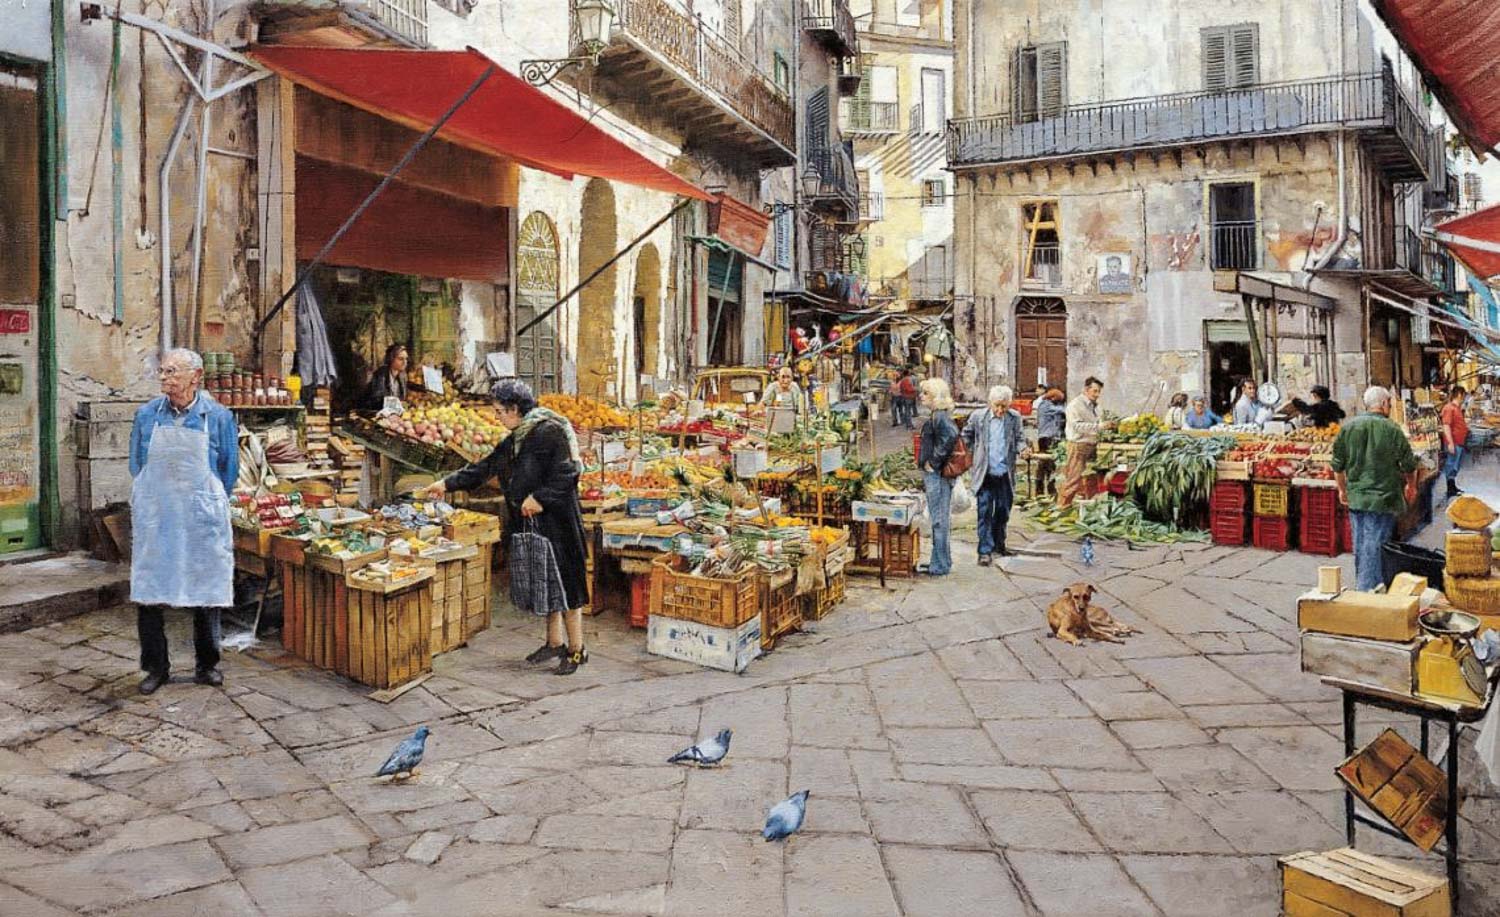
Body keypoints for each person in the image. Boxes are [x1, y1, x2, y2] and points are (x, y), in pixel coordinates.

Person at [425, 380, 592, 674]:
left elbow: (568, 474)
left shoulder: (549, 431)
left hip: (559, 524)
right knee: (547, 585)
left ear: (515, 409)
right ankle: (554, 643)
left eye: (500, 411)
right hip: (535, 525)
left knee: (567, 587)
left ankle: (577, 649)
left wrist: (539, 498)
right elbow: (486, 466)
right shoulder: (517, 437)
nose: (497, 417)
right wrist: (446, 483)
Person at [128, 348, 239, 695]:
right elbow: (137, 465)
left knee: (206, 588)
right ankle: (156, 668)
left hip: (199, 516)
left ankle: (207, 665)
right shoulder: (147, 416)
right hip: (158, 516)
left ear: (196, 376)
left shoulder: (218, 417)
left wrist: (201, 500)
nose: (164, 378)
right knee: (149, 591)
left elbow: (228, 473)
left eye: (172, 372)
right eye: (162, 372)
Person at [1332, 386, 1420, 592]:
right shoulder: (1392, 429)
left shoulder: (1348, 427)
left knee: (1361, 545)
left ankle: (1363, 587)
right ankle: (1368, 592)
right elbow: (1409, 465)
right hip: (1383, 498)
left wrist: (1342, 490)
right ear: (1383, 404)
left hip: (1356, 498)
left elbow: (1337, 465)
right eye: (1389, 403)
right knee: (1375, 547)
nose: (1389, 407)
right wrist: (1411, 486)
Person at [963, 385, 1023, 564]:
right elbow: (966, 435)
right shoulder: (978, 417)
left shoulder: (1014, 418)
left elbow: (1020, 438)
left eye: (1004, 406)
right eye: (997, 405)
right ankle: (984, 550)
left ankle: (999, 544)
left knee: (1003, 511)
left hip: (1005, 473)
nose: (1000, 410)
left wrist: (1024, 449)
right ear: (990, 403)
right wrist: (967, 452)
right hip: (985, 473)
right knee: (985, 511)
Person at [916, 378, 959, 577]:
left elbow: (951, 436)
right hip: (937, 474)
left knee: (939, 520)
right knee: (939, 520)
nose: (921, 396)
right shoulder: (937, 415)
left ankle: (940, 565)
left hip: (938, 475)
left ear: (935, 396)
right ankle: (940, 561)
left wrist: (933, 462)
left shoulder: (940, 416)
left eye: (925, 393)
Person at [1058, 376, 1108, 508]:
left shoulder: (1095, 407)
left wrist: (1103, 429)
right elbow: (1077, 426)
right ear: (1086, 390)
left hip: (1091, 445)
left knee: (1091, 477)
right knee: (1073, 478)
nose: (1097, 395)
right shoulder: (1075, 405)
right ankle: (1062, 507)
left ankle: (1091, 508)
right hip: (1078, 445)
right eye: (1095, 391)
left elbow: (1096, 424)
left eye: (1099, 392)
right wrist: (1100, 427)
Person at [1034, 387, 1067, 497]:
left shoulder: (1047, 405)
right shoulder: (1046, 405)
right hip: (1046, 438)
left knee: (1049, 465)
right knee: (1045, 464)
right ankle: (1044, 489)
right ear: (1053, 398)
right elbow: (1063, 411)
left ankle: (1047, 488)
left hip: (1050, 437)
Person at [1440, 385, 1469, 499]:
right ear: (1459, 395)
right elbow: (1446, 426)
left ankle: (1453, 487)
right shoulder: (1449, 408)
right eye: (1463, 396)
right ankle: (1450, 489)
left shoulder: (1456, 408)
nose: (1464, 398)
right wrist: (1450, 443)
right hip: (1454, 443)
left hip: (1459, 442)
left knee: (1455, 465)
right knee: (1451, 465)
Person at [361, 343, 409, 412]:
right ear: (391, 359)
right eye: (401, 359)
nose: (405, 362)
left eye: (406, 359)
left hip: (393, 414)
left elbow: (402, 401)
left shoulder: (403, 376)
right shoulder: (381, 375)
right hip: (374, 413)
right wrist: (398, 405)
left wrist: (406, 408)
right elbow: (377, 401)